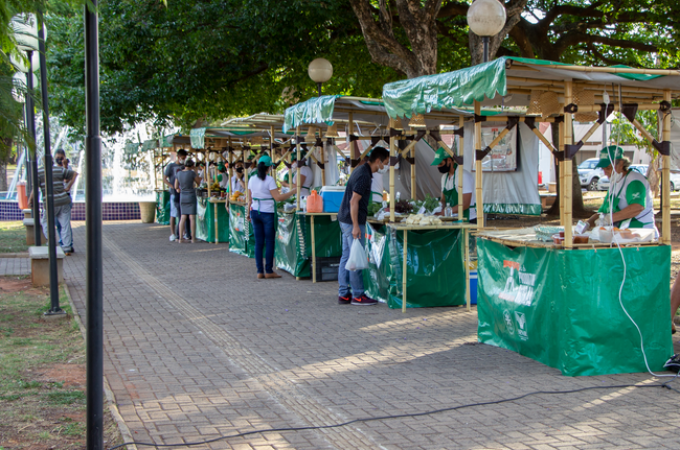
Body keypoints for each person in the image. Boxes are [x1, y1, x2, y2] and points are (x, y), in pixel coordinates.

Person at [337, 146, 390, 306]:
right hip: (351, 221)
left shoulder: (361, 170)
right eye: (385, 163)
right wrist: (355, 226)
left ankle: (344, 293)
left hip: (345, 218)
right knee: (355, 257)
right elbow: (354, 201)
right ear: (378, 161)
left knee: (347, 256)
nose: (385, 167)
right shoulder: (364, 175)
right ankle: (358, 295)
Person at [585, 145, 657, 234]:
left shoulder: (634, 180)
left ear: (621, 164)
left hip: (641, 234)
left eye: (608, 168)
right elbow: (603, 212)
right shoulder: (614, 182)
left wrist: (609, 219)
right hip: (622, 234)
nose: (605, 172)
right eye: (603, 169)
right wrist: (586, 224)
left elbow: (638, 207)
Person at [247, 155, 296, 279]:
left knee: (258, 243)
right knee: (269, 242)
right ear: (269, 167)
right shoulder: (269, 180)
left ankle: (259, 271)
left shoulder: (252, 179)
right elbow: (278, 198)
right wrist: (293, 191)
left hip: (254, 212)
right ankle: (268, 270)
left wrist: (248, 213)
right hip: (267, 213)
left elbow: (249, 199)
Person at [27, 151, 78, 254]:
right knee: (65, 225)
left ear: (43, 162)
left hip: (51, 203)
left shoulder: (39, 172)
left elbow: (35, 188)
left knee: (45, 222)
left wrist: (30, 199)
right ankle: (67, 247)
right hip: (64, 201)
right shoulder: (59, 170)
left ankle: (50, 242)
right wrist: (68, 187)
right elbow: (75, 174)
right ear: (52, 161)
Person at [431, 147, 477, 222]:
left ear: (449, 160)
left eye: (440, 163)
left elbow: (465, 203)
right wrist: (436, 208)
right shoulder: (444, 178)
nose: (438, 166)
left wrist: (444, 213)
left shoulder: (463, 176)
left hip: (467, 219)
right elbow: (443, 200)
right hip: (452, 219)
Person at [174, 159, 201, 243]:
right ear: (192, 165)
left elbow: (176, 186)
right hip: (191, 195)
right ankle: (193, 238)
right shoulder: (192, 173)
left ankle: (180, 238)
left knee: (182, 217)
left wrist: (180, 189)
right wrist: (196, 172)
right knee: (192, 218)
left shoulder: (179, 173)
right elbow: (199, 182)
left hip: (182, 196)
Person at [164, 149, 187, 241]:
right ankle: (173, 233)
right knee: (173, 214)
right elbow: (165, 179)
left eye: (185, 158)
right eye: (182, 158)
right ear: (178, 157)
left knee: (183, 213)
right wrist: (173, 187)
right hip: (174, 193)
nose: (183, 160)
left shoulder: (184, 166)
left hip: (183, 193)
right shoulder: (171, 166)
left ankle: (184, 232)